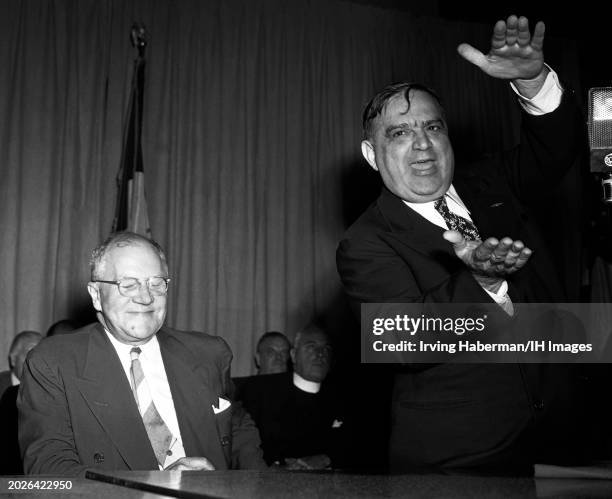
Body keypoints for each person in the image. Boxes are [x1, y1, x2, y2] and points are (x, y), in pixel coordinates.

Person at [336, 16, 585, 473]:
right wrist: (482, 282)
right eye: (400, 133)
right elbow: (403, 343)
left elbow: (556, 150)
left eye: (433, 127)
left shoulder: (493, 181)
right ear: (372, 155)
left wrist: (532, 81)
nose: (423, 145)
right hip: (462, 462)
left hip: (564, 446)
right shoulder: (365, 242)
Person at [18, 231, 266, 475]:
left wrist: (261, 486)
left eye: (156, 283)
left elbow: (237, 427)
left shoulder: (208, 353)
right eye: (128, 285)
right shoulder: (53, 363)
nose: (146, 297)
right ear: (96, 295)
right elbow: (49, 471)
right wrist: (157, 484)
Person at [237, 324, 352, 470]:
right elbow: (243, 443)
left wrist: (326, 459)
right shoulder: (258, 391)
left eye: (326, 349)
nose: (320, 354)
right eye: (311, 347)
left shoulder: (344, 397)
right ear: (293, 355)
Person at [0, 330, 42, 474]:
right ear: (13, 359)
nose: (37, 360)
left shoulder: (52, 391)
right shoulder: (4, 391)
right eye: (30, 353)